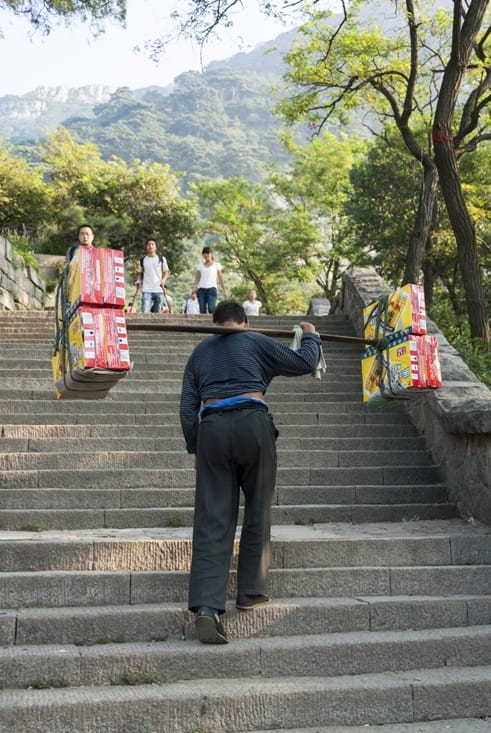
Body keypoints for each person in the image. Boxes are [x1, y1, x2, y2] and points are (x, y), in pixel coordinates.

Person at [179, 300, 321, 644]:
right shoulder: (256, 341)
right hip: (253, 426)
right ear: (244, 321)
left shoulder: (200, 352)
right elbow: (305, 361)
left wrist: (195, 447)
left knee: (213, 518)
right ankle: (250, 592)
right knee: (257, 508)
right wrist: (310, 335)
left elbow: (187, 406)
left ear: (216, 325)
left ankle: (206, 608)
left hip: (212, 428)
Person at [136, 238, 170, 314]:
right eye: (148, 244)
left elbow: (166, 272)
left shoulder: (161, 259)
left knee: (158, 313)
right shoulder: (142, 260)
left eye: (152, 244)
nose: (150, 246)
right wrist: (138, 280)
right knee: (145, 311)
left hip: (159, 289)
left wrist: (163, 280)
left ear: (156, 247)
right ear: (146, 247)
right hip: (146, 289)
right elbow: (139, 273)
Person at [192, 246, 227, 314]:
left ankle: (213, 322)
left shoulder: (216, 265)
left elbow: (220, 278)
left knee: (211, 308)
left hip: (212, 289)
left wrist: (224, 290)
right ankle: (203, 324)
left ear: (211, 254)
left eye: (208, 253)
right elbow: (197, 278)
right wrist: (194, 288)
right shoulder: (200, 266)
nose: (206, 255)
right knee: (202, 309)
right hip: (201, 289)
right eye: (204, 253)